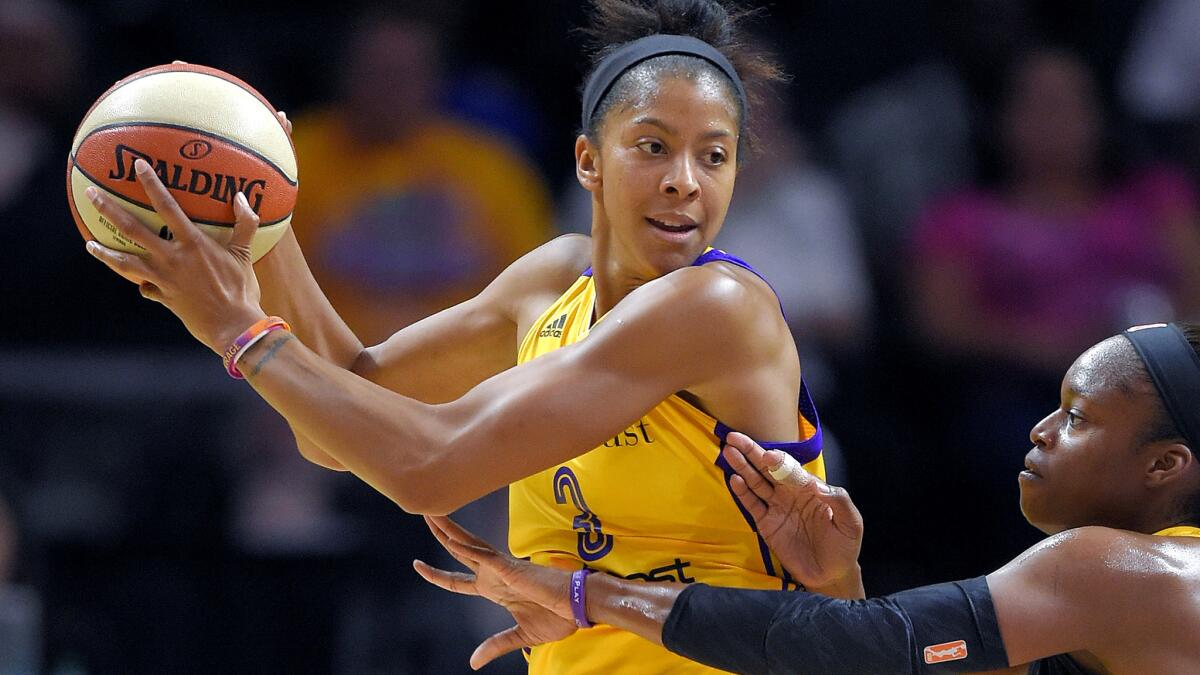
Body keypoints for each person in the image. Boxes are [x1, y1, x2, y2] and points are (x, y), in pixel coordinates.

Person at [80, 0, 831, 672]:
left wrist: (241, 331)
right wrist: (264, 214)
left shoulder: (717, 306)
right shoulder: (550, 282)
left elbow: (429, 466)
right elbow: (344, 415)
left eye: (715, 154)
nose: (685, 181)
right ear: (588, 163)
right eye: (654, 146)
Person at [416, 322, 1200, 673]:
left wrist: (588, 592)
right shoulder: (1123, 598)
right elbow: (889, 662)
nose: (1039, 428)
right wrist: (838, 588)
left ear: (1166, 465)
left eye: (1076, 415)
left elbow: (877, 645)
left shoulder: (1114, 574)